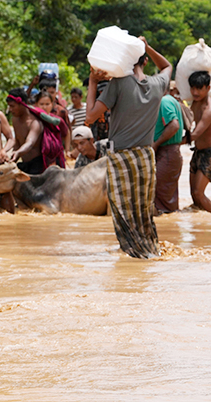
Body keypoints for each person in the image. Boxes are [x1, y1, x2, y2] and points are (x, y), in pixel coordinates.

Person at [85, 36, 172, 259]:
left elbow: (89, 118)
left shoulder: (119, 84)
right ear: (144, 61)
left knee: (124, 211)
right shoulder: (157, 84)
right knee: (143, 211)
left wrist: (93, 82)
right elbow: (167, 66)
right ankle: (150, 252)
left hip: (121, 157)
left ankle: (134, 256)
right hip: (145, 156)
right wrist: (148, 46)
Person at [153, 94, 184, 214]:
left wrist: (156, 144)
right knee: (167, 197)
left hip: (166, 152)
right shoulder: (169, 100)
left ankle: (166, 229)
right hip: (170, 153)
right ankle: (170, 229)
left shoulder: (164, 101)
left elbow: (174, 125)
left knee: (160, 197)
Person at [6, 88, 45, 175]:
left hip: (37, 166)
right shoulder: (15, 120)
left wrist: (18, 152)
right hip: (25, 164)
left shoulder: (34, 123)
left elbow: (30, 143)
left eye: (12, 106)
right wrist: (13, 158)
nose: (10, 110)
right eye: (9, 106)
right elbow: (18, 141)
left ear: (22, 104)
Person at [188, 71, 211, 212]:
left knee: (198, 193)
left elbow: (195, 134)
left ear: (208, 88)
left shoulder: (209, 109)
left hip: (209, 154)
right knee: (194, 196)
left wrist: (173, 142)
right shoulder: (194, 104)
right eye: (192, 88)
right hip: (197, 152)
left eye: (199, 88)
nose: (195, 92)